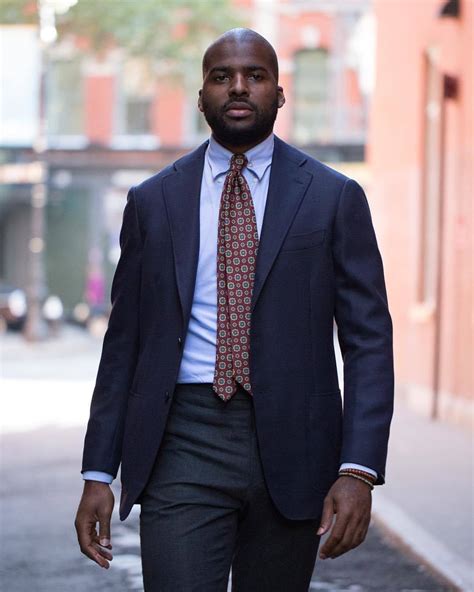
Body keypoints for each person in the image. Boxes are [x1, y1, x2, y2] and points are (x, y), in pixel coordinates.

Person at [75, 28, 394, 592]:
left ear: (279, 92)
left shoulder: (333, 196)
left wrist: (359, 469)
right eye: (222, 77)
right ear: (202, 97)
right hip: (182, 440)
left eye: (255, 75)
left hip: (296, 443)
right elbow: (124, 342)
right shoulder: (153, 201)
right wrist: (99, 470)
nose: (238, 87)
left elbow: (368, 341)